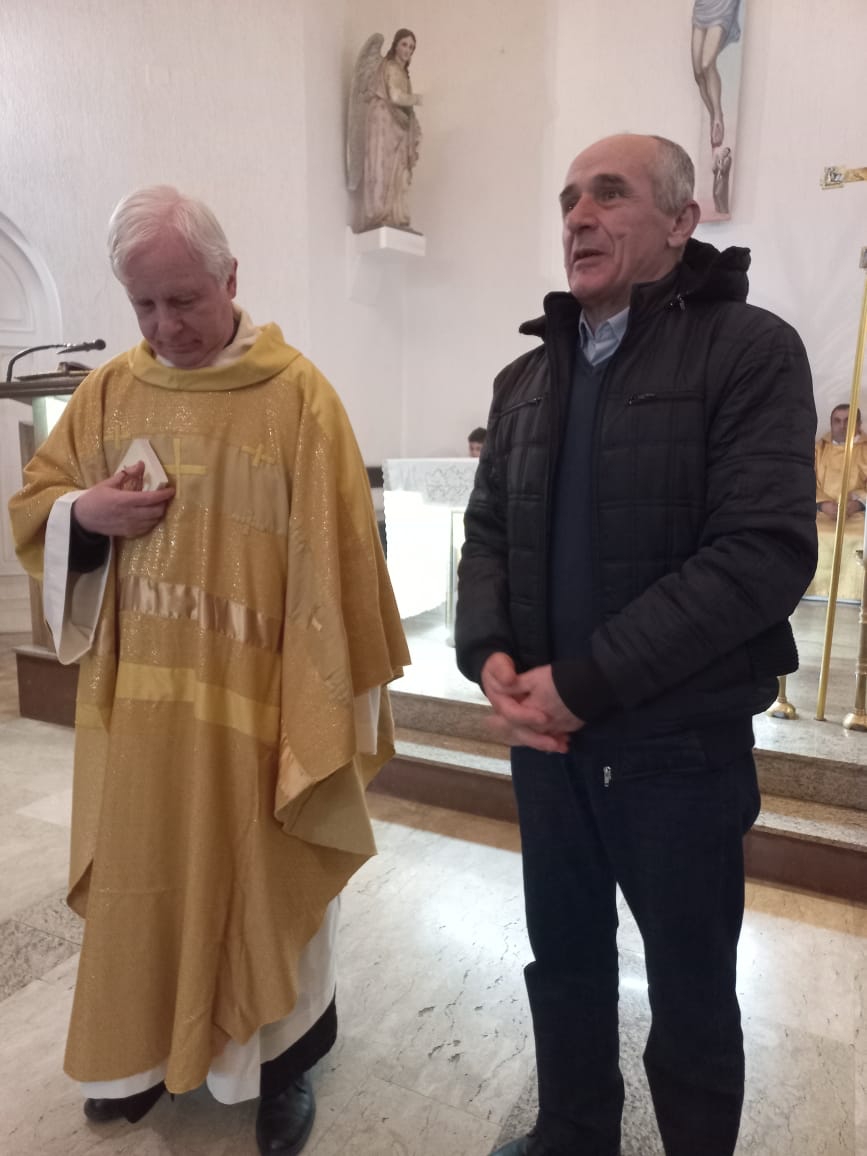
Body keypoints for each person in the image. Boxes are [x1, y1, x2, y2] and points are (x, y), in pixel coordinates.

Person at [8, 186, 409, 1156]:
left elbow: (342, 562)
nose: (163, 326)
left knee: (265, 875)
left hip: (262, 709)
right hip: (142, 714)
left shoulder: (298, 398)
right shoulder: (110, 392)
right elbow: (40, 497)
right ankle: (139, 1059)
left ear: (231, 280)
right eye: (143, 304)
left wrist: (318, 700)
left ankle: (281, 1063)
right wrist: (83, 515)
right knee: (145, 878)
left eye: (183, 299)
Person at [455, 134, 817, 1156]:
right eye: (570, 198)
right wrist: (487, 651)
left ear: (681, 220)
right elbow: (487, 533)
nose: (579, 215)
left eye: (609, 195)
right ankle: (573, 1133)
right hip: (550, 748)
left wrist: (589, 680)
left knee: (689, 991)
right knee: (563, 961)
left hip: (678, 752)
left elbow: (761, 554)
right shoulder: (526, 377)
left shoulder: (748, 350)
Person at [348, 29, 423, 232]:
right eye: (404, 44)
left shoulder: (404, 73)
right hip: (382, 120)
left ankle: (394, 215)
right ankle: (378, 213)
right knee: (381, 164)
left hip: (397, 125)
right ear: (396, 45)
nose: (408, 50)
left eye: (411, 47)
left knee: (398, 167)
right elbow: (395, 96)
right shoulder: (389, 67)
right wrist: (417, 99)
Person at [806, 402, 867, 599]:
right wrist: (822, 504)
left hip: (858, 515)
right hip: (821, 513)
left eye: (848, 420)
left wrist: (857, 503)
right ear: (831, 423)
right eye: (837, 421)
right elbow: (805, 480)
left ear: (859, 424)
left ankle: (857, 594)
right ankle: (813, 591)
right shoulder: (818, 449)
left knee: (860, 538)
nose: (842, 426)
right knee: (808, 533)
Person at [691, 0, 742, 148]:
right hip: (703, 5)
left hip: (723, 5)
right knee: (698, 72)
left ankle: (718, 116)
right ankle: (713, 115)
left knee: (706, 63)